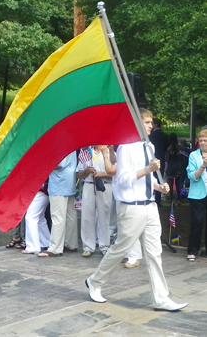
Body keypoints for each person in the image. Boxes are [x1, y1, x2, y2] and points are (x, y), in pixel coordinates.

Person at [86, 108, 187, 312]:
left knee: (154, 253)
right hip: (131, 207)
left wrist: (159, 186)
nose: (152, 125)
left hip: (149, 204)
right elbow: (122, 179)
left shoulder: (148, 146)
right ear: (137, 124)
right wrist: (147, 170)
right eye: (147, 122)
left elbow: (146, 178)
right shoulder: (126, 147)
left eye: (151, 122)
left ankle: (161, 298)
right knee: (120, 249)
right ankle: (95, 281)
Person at [38, 152, 77, 257]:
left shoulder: (61, 143)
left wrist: (43, 163)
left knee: (57, 217)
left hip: (59, 183)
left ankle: (55, 248)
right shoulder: (71, 141)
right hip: (69, 182)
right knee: (70, 216)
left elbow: (58, 164)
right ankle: (71, 243)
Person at [76, 145, 113, 257]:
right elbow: (78, 174)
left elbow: (115, 173)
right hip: (89, 185)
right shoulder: (86, 152)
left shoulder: (109, 152)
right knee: (87, 216)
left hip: (104, 185)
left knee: (104, 216)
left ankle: (104, 246)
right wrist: (86, 171)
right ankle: (88, 247)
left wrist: (102, 174)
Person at [186, 129, 207, 262]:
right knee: (197, 222)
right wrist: (203, 165)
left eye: (205, 140)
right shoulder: (194, 155)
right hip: (197, 194)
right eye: (201, 141)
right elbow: (192, 176)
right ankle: (193, 250)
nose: (203, 143)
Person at [22, 186, 50, 254]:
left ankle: (33, 247)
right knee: (40, 218)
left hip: (39, 191)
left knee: (31, 217)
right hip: (43, 191)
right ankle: (45, 242)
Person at [149, 118, 170, 206]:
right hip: (160, 158)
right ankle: (158, 200)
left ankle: (150, 196)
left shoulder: (150, 136)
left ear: (156, 125)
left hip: (151, 158)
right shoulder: (164, 135)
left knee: (150, 177)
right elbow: (167, 147)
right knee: (159, 179)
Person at [165, 133, 184, 205]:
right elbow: (183, 158)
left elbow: (167, 159)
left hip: (170, 167)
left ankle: (171, 200)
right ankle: (179, 199)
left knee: (170, 184)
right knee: (177, 184)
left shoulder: (169, 148)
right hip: (178, 167)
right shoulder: (179, 148)